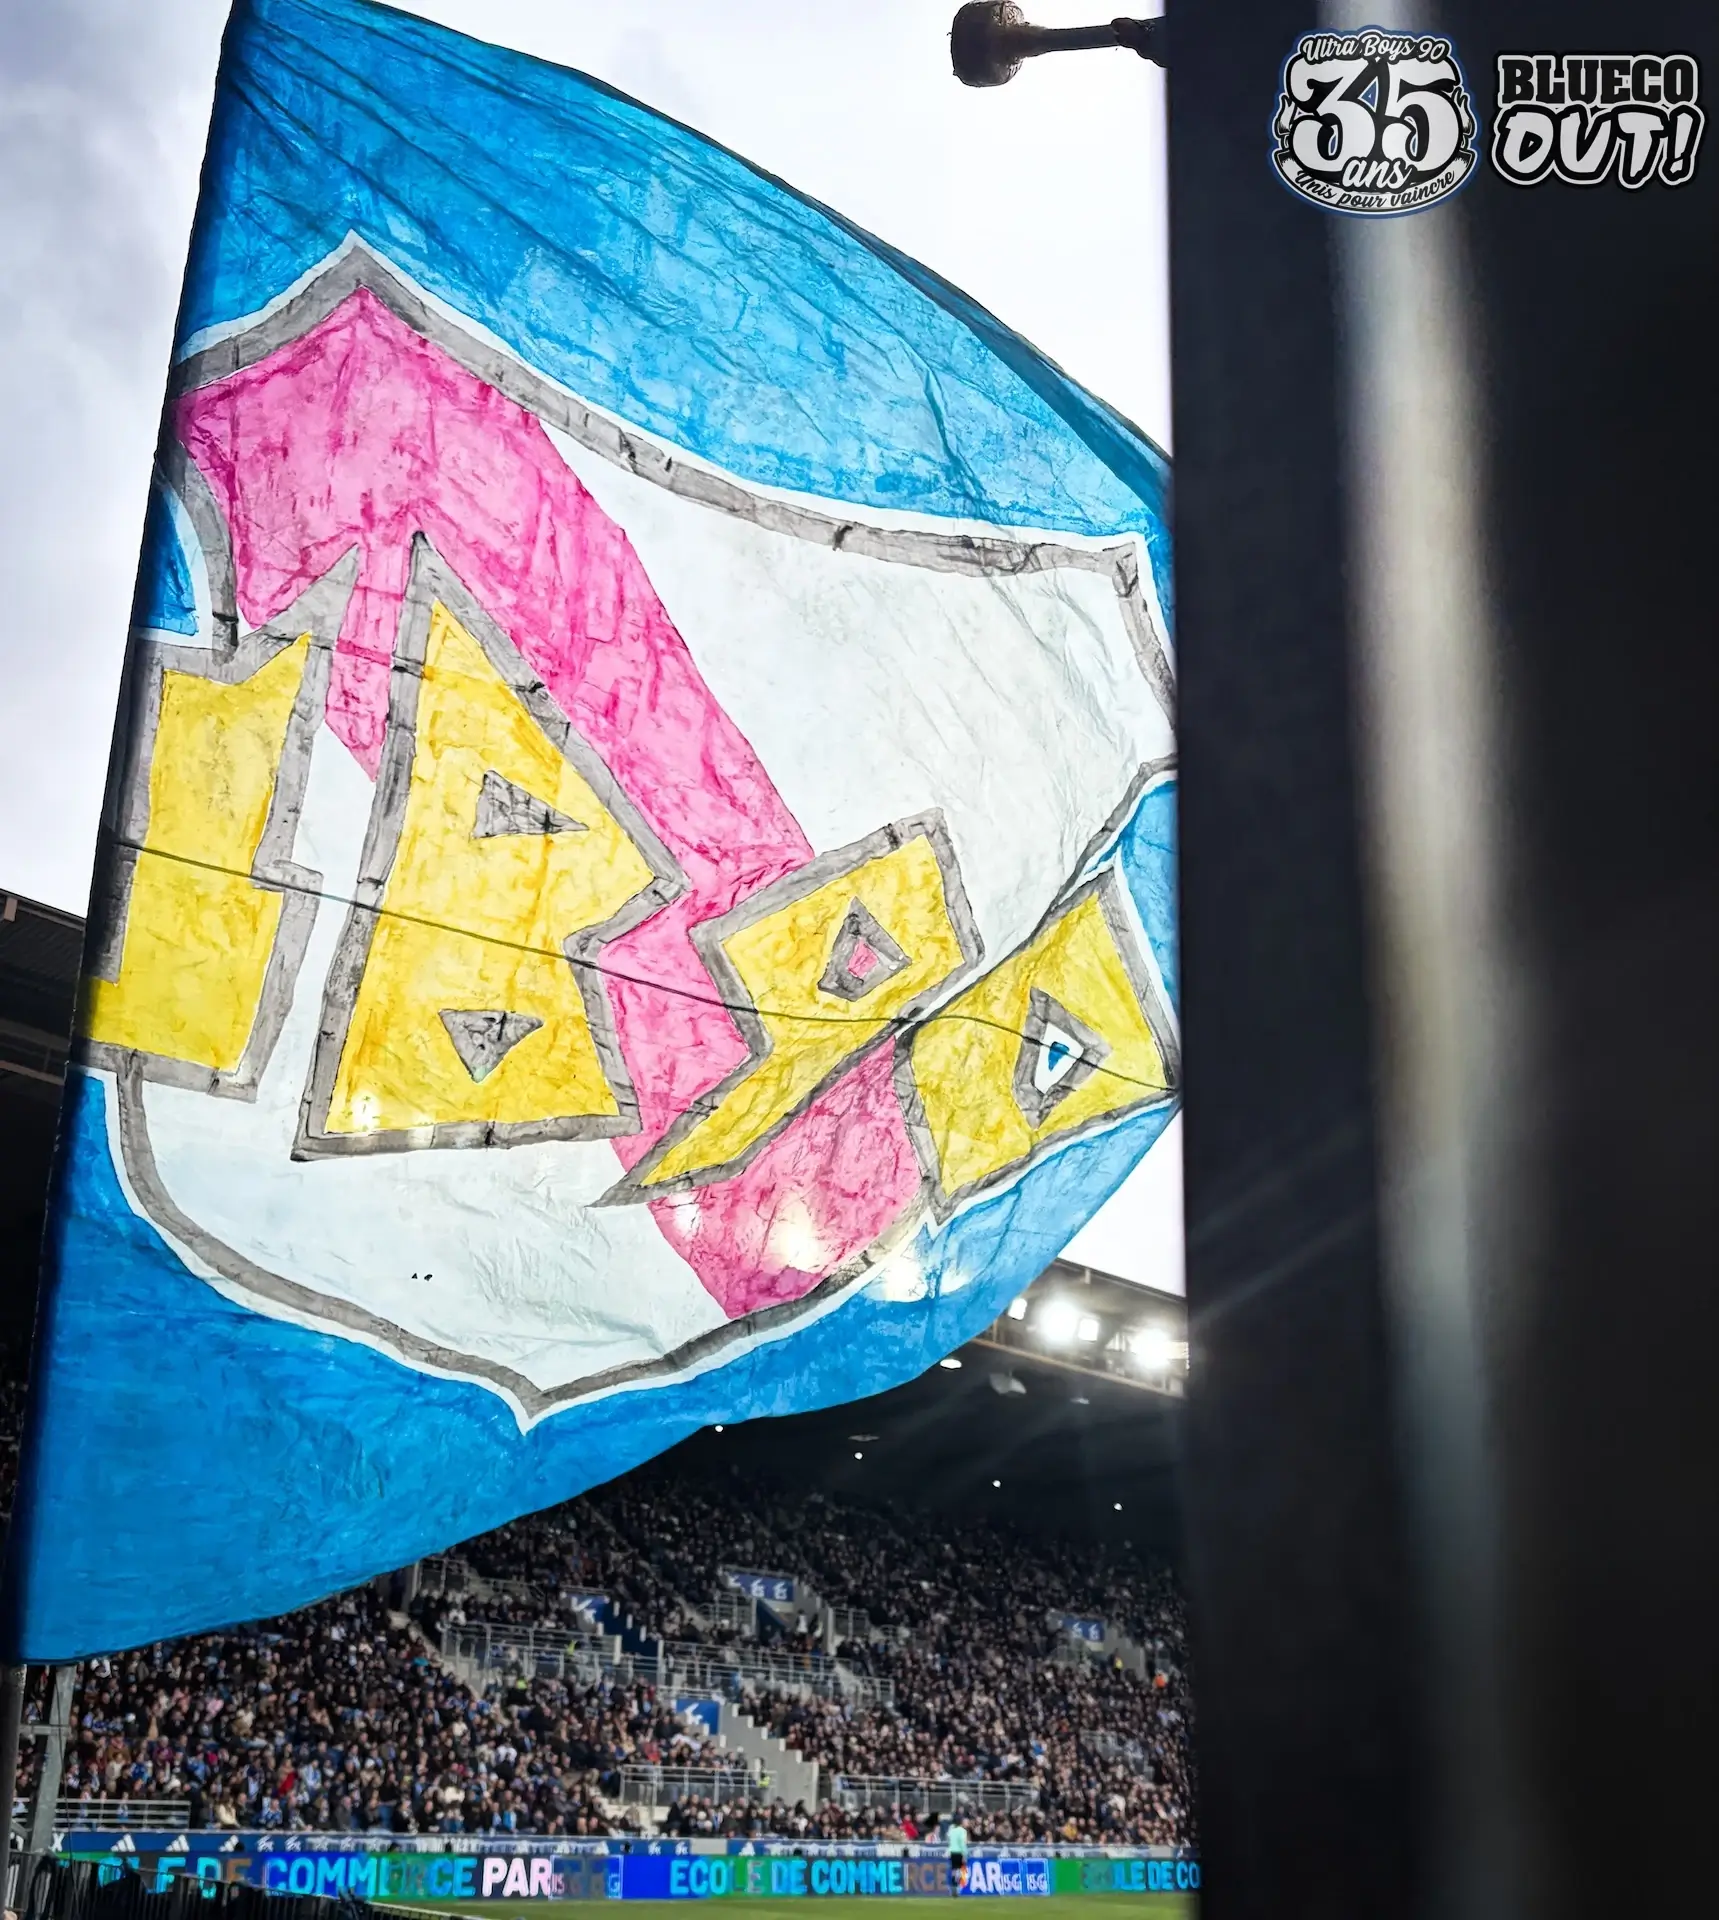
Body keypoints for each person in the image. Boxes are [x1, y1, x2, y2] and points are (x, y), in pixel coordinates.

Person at [946, 1813, 969, 1895]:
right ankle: (958, 1886)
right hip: (959, 1852)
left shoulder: (952, 1831)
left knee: (954, 1869)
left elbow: (949, 1841)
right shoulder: (963, 1831)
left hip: (952, 1852)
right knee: (961, 1870)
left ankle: (953, 1885)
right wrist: (965, 1854)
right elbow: (963, 1843)